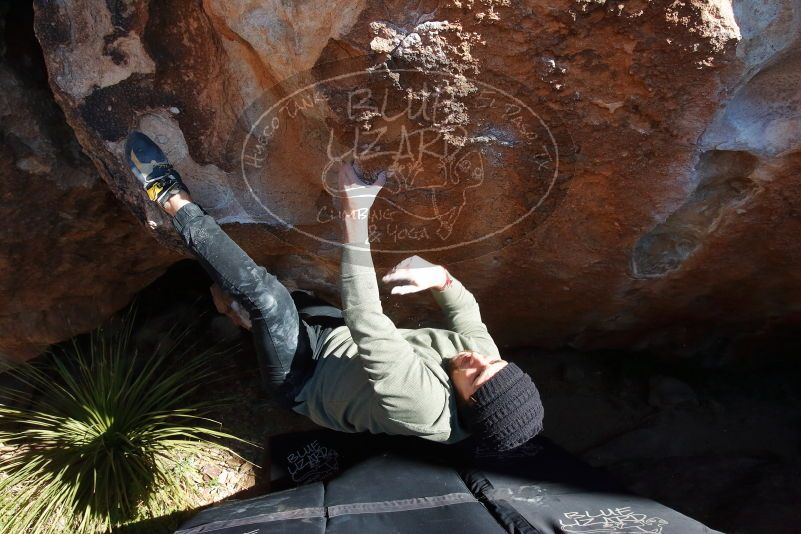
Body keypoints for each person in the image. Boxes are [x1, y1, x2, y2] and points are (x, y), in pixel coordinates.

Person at [124, 131, 543, 452]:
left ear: (466, 404)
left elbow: (367, 320)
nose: (476, 359)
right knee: (250, 299)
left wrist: (355, 208)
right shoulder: (487, 361)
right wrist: (442, 279)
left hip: (306, 376)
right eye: (493, 362)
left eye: (475, 376)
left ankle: (171, 198)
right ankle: (232, 310)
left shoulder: (427, 407)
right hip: (335, 335)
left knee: (267, 300)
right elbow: (467, 315)